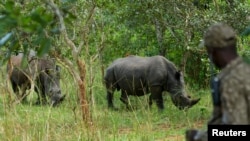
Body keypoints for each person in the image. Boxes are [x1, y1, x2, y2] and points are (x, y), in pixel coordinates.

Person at [185, 23, 250, 141]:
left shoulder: (232, 80)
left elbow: (238, 132)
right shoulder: (245, 69)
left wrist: (199, 137)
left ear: (212, 51)